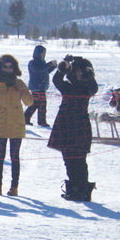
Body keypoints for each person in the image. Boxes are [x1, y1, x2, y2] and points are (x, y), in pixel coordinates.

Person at [48, 56, 98, 201]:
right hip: (65, 124)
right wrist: (64, 66)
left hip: (80, 124)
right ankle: (74, 189)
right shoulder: (68, 86)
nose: (78, 74)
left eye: (81, 71)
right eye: (76, 71)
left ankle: (82, 189)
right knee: (68, 158)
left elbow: (93, 88)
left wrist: (89, 74)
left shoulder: (87, 87)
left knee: (80, 159)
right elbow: (56, 80)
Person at [0, 54, 32, 196]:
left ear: (14, 67)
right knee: (0, 156)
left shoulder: (20, 84)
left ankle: (14, 187)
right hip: (1, 125)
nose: (8, 69)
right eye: (5, 66)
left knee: (15, 156)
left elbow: (29, 102)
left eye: (10, 66)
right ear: (0, 67)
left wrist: (22, 92)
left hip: (17, 124)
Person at [25, 44, 57, 127]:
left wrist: (53, 66)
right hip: (36, 87)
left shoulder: (43, 63)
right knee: (41, 104)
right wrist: (50, 64)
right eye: (43, 53)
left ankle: (26, 118)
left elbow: (45, 71)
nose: (44, 54)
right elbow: (39, 70)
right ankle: (41, 121)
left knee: (36, 104)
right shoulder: (32, 63)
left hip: (42, 87)